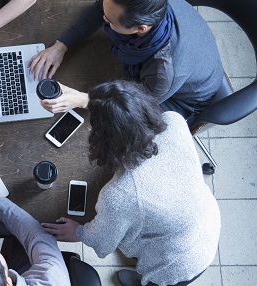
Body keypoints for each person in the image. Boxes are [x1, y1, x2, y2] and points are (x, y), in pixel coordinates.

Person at [41, 80, 220, 286]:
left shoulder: (120, 195)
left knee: (153, 282)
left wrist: (79, 232)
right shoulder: (174, 121)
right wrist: (89, 101)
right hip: (207, 221)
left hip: (177, 264)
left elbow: (102, 242)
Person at [28, 0, 224, 120]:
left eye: (110, 21)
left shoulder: (162, 73)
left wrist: (83, 100)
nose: (103, 20)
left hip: (177, 98)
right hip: (192, 60)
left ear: (140, 28)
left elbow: (133, 104)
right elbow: (100, 9)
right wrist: (61, 46)